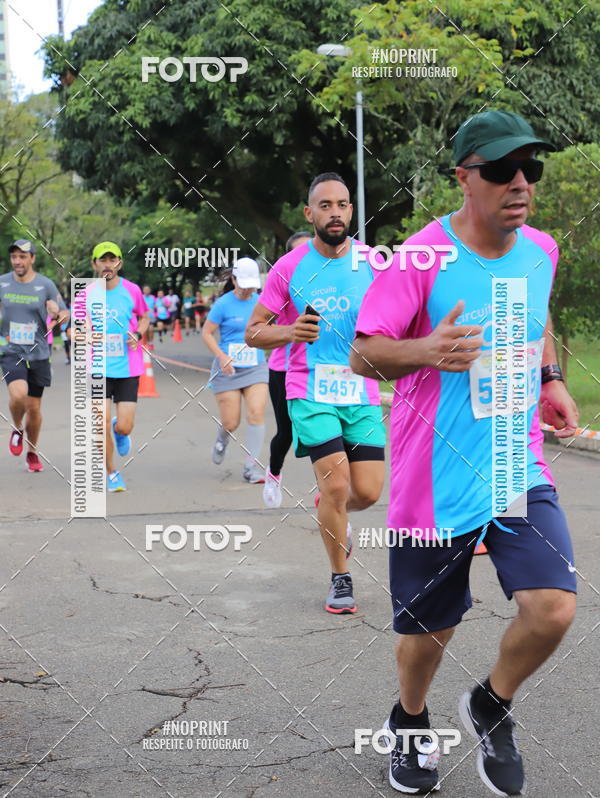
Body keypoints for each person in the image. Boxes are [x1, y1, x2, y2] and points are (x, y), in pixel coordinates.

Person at [350, 110, 578, 795]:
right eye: (502, 170)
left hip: (515, 464)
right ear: (463, 178)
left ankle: (490, 702)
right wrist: (424, 351)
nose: (520, 182)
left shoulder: (541, 249)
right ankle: (410, 719)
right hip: (432, 478)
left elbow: (536, 315)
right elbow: (364, 350)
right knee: (429, 633)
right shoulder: (420, 255)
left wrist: (551, 378)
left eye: (529, 169)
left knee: (554, 607)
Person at [246, 173, 386, 614]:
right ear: (310, 214)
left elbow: (400, 315)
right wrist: (289, 331)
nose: (336, 212)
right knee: (338, 485)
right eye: (325, 205)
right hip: (309, 389)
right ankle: (340, 577)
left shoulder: (373, 263)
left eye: (343, 204)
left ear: (351, 211)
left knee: (367, 493)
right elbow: (253, 332)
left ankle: (330, 506)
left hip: (360, 389)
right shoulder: (289, 268)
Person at [0, 238, 68, 472]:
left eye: (22, 256)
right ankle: (18, 428)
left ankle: (32, 451)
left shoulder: (45, 284)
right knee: (19, 396)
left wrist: (56, 313)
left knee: (35, 408)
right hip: (11, 350)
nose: (17, 261)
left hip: (38, 352)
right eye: (14, 257)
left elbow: (64, 312)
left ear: (32, 259)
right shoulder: (2, 283)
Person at [88, 241, 149, 492]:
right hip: (98, 368)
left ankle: (120, 430)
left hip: (128, 368)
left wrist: (138, 334)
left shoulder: (132, 290)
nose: (107, 265)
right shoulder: (86, 294)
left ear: (119, 264)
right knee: (99, 423)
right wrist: (85, 336)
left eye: (112, 260)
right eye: (102, 260)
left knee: (124, 425)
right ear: (94, 264)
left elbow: (144, 317)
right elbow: (73, 329)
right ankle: (111, 472)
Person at [202, 259, 269, 484]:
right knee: (231, 422)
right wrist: (221, 357)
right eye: (243, 283)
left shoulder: (261, 302)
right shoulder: (222, 304)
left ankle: (251, 468)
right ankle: (222, 439)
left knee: (256, 413)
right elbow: (207, 333)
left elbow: (269, 331)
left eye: (251, 284)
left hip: (255, 368)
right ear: (233, 279)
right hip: (227, 370)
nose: (247, 288)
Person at [262, 231, 312, 508]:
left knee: (323, 433)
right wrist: (292, 331)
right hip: (283, 368)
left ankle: (331, 493)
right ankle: (274, 473)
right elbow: (261, 328)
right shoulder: (282, 285)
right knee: (287, 432)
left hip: (320, 369)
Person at [142, 285, 157, 349]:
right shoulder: (141, 297)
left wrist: (154, 310)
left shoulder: (153, 298)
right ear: (143, 291)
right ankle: (148, 342)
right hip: (144, 317)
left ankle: (151, 343)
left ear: (150, 290)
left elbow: (155, 306)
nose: (146, 291)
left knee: (151, 329)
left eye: (148, 289)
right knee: (146, 330)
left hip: (151, 316)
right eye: (145, 289)